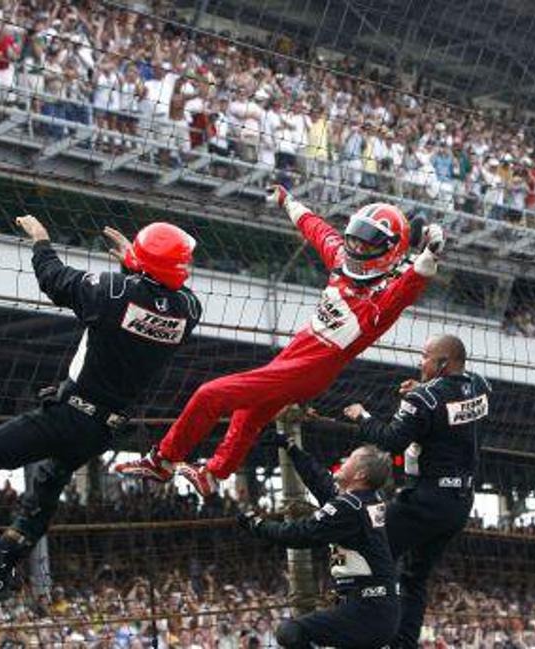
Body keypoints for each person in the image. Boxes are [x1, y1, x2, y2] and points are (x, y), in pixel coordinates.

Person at [115, 185, 444, 497]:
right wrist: (288, 201)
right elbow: (316, 229)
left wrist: (430, 252)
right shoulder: (342, 260)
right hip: (300, 351)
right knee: (249, 413)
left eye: (367, 245)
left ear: (389, 251)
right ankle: (212, 475)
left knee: (209, 394)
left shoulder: (383, 302)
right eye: (355, 239)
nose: (356, 248)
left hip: (311, 367)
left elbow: (414, 280)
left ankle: (162, 461)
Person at [0, 217, 202, 602]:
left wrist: (41, 240)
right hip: (104, 430)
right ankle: (7, 561)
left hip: (70, 416)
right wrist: (135, 265)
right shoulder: (189, 310)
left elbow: (54, 279)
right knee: (48, 482)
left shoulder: (112, 291)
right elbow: (148, 301)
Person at [341, 334, 491, 649]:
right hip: (459, 504)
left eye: (425, 356)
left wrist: (362, 416)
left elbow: (391, 440)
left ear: (443, 363)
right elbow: (450, 404)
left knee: (364, 551)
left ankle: (353, 631)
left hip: (425, 500)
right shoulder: (479, 386)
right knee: (414, 577)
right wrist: (424, 389)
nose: (420, 362)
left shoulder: (423, 399)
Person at [237, 442, 398, 648]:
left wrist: (257, 524)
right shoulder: (367, 500)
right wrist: (292, 449)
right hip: (377, 608)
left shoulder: (349, 508)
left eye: (350, 459)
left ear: (360, 475)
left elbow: (300, 534)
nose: (343, 461)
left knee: (290, 632)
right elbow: (322, 484)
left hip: (365, 612)